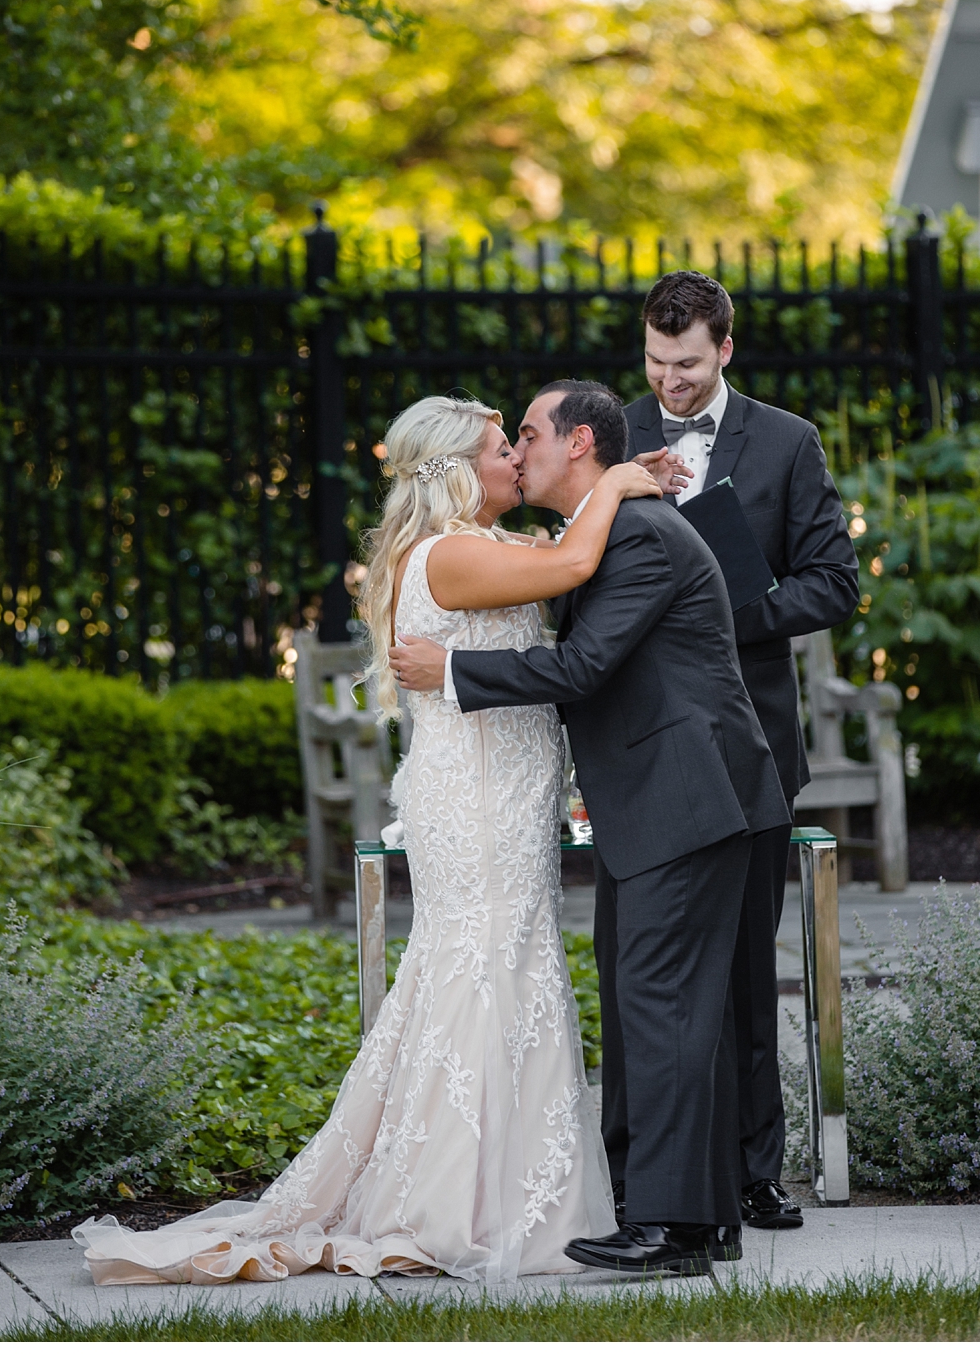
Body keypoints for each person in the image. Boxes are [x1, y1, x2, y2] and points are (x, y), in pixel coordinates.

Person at [76, 394, 663, 1283]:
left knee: (507, 966)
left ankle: (511, 1192)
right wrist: (618, 478)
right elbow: (578, 561)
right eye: (504, 448)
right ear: (461, 469)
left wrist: (602, 493)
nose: (516, 461)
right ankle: (449, 1205)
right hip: (471, 799)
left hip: (504, 795)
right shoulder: (451, 553)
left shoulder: (487, 545)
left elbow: (559, 560)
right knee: (481, 967)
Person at [389, 380, 788, 1278]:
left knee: (663, 1006)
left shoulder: (638, 535)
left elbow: (583, 662)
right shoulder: (601, 532)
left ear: (575, 443)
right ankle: (701, 1217)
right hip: (661, 800)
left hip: (687, 799)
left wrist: (453, 670)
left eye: (526, 433)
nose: (517, 449)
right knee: (668, 1005)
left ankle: (670, 1227)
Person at [624, 269, 861, 1234]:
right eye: (654, 360)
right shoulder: (617, 434)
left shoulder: (789, 441)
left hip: (753, 740)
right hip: (642, 742)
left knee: (749, 969)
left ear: (725, 349)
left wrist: (735, 608)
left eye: (686, 364)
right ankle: (661, 1174)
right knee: (659, 970)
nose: (668, 382)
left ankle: (756, 1170)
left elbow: (835, 584)